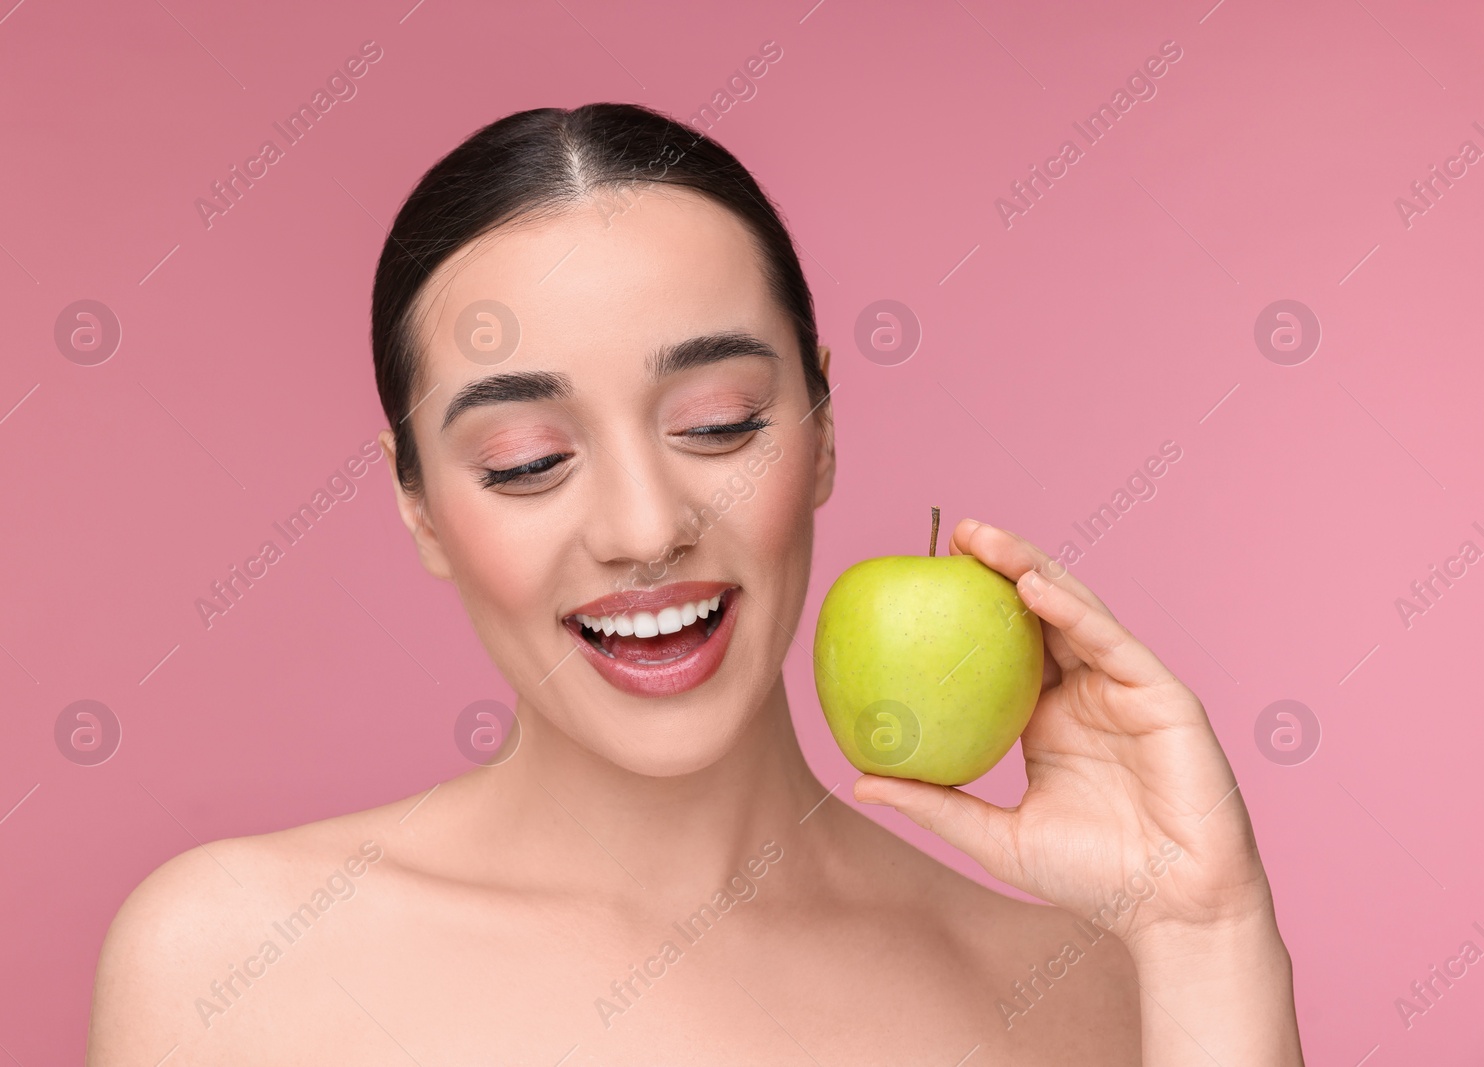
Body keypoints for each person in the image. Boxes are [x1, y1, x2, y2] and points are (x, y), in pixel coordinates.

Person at [88, 103, 1304, 1065]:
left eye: (718, 425)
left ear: (823, 429)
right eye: (526, 459)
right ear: (420, 506)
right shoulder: (234, 960)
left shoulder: (1078, 990)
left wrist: (1203, 929)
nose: (641, 527)